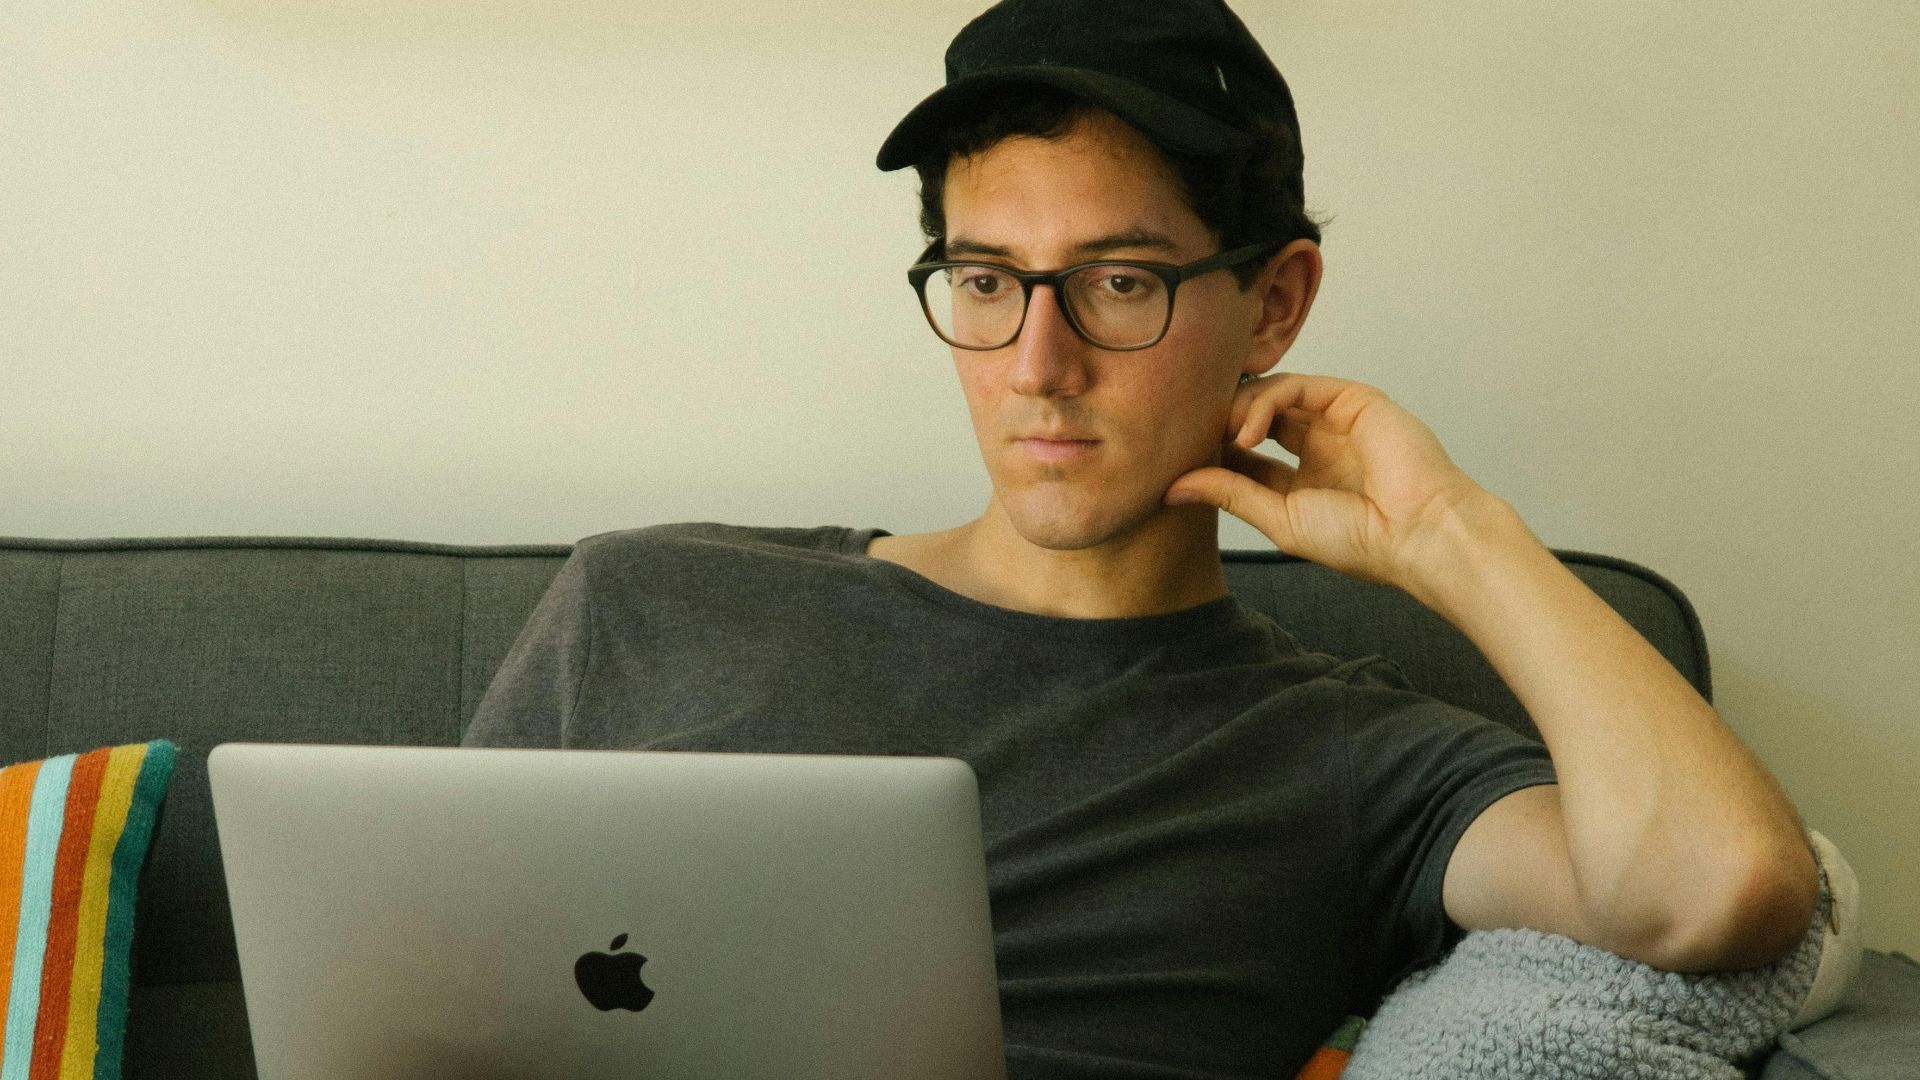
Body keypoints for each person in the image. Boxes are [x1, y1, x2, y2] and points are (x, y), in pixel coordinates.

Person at [463, 0, 1819, 1074]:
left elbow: (1723, 889)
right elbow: (415, 979)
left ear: (1274, 305)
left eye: (1119, 282)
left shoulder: (1348, 758)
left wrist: (1448, 531)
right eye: (986, 280)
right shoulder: (646, 599)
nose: (1036, 365)